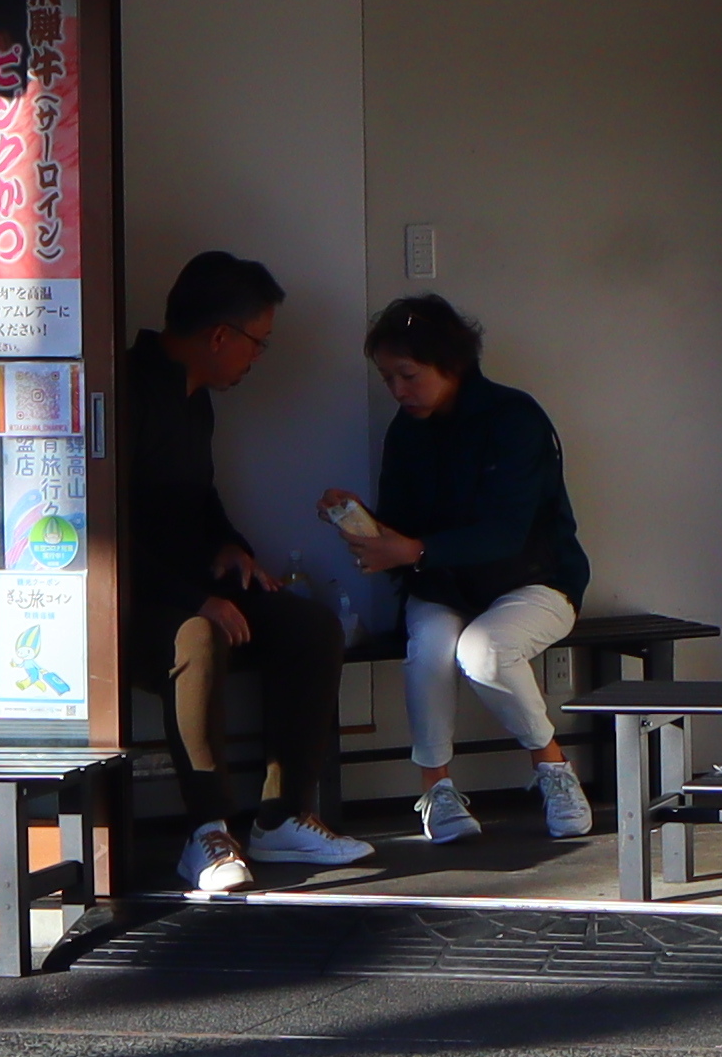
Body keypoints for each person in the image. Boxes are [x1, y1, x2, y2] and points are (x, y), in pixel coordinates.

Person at [119, 253, 374, 897]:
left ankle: (282, 816)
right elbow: (103, 529)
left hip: (195, 585)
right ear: (219, 337)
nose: (257, 358)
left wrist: (232, 548)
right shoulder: (122, 390)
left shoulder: (196, 400)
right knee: (199, 638)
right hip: (130, 598)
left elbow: (198, 501)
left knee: (311, 628)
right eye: (257, 343)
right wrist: (197, 600)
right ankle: (208, 834)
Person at [338, 292, 595, 846]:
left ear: (451, 365)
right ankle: (437, 787)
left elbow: (504, 532)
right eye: (387, 378)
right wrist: (364, 527)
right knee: (430, 646)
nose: (397, 391)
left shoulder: (514, 418)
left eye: (407, 375)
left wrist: (411, 551)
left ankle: (553, 767)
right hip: (444, 584)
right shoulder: (405, 431)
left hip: (536, 579)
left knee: (483, 650)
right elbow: (403, 525)